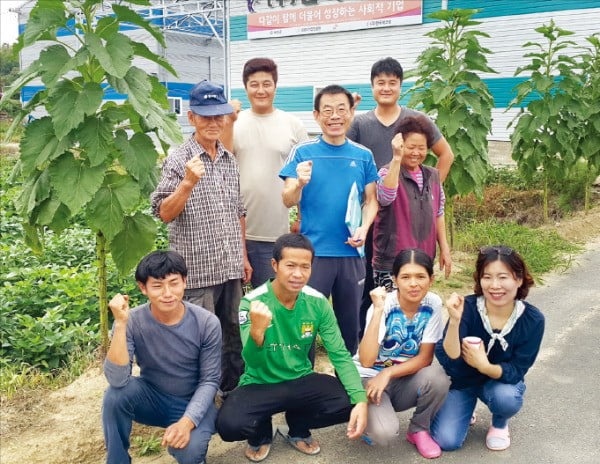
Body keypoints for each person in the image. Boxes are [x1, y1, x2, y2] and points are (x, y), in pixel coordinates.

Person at [217, 233, 368, 462]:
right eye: (290, 265)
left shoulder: (317, 303)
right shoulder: (253, 303)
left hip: (300, 379)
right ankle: (261, 433)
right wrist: (257, 333)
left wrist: (361, 400)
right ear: (275, 265)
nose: (298, 274)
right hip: (260, 382)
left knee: (350, 400)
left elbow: (339, 354)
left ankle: (298, 427)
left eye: (305, 267)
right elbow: (253, 362)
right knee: (229, 426)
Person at [150, 80, 250, 393]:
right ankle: (201, 400)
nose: (213, 122)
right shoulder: (179, 160)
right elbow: (164, 212)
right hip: (197, 272)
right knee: (201, 339)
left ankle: (232, 392)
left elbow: (238, 211)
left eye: (218, 116)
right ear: (191, 117)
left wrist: (244, 257)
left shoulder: (229, 160)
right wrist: (187, 184)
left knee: (233, 334)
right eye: (205, 116)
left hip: (230, 267)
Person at [347, 56, 454, 336]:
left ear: (400, 86)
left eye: (392, 83)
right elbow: (344, 154)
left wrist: (422, 193)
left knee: (411, 286)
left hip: (409, 223)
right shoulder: (361, 123)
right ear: (372, 86)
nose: (386, 88)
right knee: (371, 288)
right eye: (380, 83)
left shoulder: (416, 121)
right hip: (371, 215)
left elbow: (447, 155)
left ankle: (409, 346)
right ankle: (368, 346)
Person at [280, 85, 379, 355]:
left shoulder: (363, 155)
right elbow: (287, 199)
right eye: (327, 110)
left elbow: (371, 200)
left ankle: (348, 387)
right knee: (305, 327)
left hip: (350, 254)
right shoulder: (302, 152)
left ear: (351, 113)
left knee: (349, 326)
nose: (334, 116)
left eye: (341, 110)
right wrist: (299, 183)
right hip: (313, 257)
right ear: (316, 115)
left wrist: (364, 227)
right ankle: (303, 382)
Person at [102, 251, 221, 464]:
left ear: (185, 281)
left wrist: (187, 422)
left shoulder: (206, 322)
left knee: (189, 451)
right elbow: (118, 379)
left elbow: (210, 380)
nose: (168, 293)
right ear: (143, 288)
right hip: (153, 397)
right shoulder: (132, 321)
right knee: (114, 395)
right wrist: (120, 324)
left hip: (193, 400)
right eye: (157, 286)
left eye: (174, 283)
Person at [431, 246, 545, 451]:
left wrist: (484, 365)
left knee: (506, 398)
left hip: (499, 382)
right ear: (479, 280)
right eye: (487, 277)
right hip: (462, 381)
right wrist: (455, 321)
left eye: (503, 277)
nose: (494, 286)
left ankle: (500, 423)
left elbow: (517, 369)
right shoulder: (467, 307)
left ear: (518, 280)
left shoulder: (532, 320)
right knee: (446, 441)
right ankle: (466, 408)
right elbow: (449, 358)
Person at [356, 249, 450, 459]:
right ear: (395, 279)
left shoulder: (432, 303)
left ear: (431, 279)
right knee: (384, 434)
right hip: (368, 379)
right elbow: (366, 360)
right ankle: (362, 413)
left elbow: (425, 358)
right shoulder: (384, 304)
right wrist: (378, 310)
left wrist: (388, 373)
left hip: (400, 377)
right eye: (406, 277)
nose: (413, 284)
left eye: (420, 277)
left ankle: (419, 429)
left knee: (438, 377)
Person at [230, 58, 309, 288]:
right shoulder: (233, 123)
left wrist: (301, 217)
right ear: (245, 88)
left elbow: (306, 176)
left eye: (267, 84)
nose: (261, 90)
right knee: (239, 308)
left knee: (276, 302)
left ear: (276, 86)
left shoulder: (292, 125)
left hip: (278, 234)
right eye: (254, 84)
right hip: (237, 233)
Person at [373, 115, 452, 291]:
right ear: (400, 145)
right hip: (392, 262)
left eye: (421, 148)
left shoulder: (433, 176)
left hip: (423, 260)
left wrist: (444, 248)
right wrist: (396, 158)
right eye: (411, 147)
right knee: (390, 313)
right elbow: (385, 197)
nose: (416, 153)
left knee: (417, 313)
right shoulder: (387, 172)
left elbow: (439, 213)